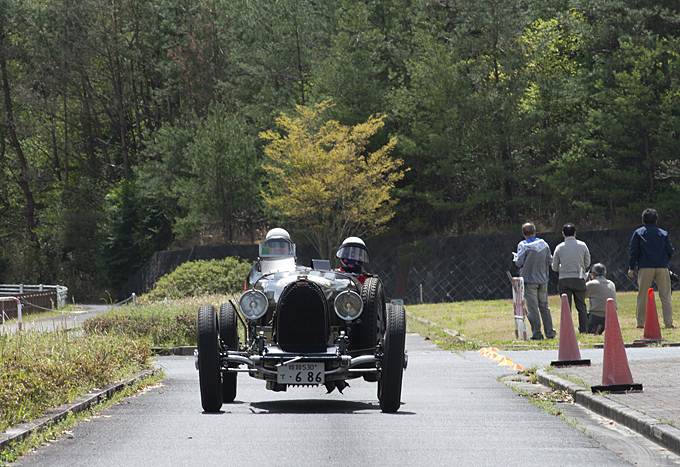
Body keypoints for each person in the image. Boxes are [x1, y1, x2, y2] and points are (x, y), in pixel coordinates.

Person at [628, 208, 675, 329]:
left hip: (645, 267)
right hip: (662, 266)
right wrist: (665, 261)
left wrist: (631, 267)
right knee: (665, 296)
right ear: (656, 221)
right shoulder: (663, 233)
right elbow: (670, 250)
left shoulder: (638, 233)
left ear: (643, 221)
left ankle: (640, 323)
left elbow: (634, 251)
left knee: (642, 295)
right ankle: (668, 322)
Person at [514, 222, 556, 340]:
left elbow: (519, 263)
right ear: (534, 232)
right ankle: (550, 332)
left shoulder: (523, 245)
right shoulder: (544, 244)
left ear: (523, 233)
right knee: (544, 307)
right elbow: (550, 260)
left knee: (533, 308)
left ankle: (537, 333)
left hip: (529, 280)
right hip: (543, 280)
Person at [552, 223, 591, 333]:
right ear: (575, 233)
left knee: (566, 307)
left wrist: (562, 267)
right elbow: (587, 263)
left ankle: (567, 331)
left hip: (564, 279)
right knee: (581, 306)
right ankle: (584, 330)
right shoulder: (582, 245)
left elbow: (554, 267)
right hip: (578, 278)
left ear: (563, 234)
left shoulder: (559, 247)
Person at [585, 263, 617, 335]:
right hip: (611, 315)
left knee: (584, 326)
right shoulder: (611, 283)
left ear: (593, 274)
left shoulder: (590, 284)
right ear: (605, 274)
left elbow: (581, 295)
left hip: (595, 316)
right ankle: (601, 326)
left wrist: (586, 280)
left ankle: (595, 327)